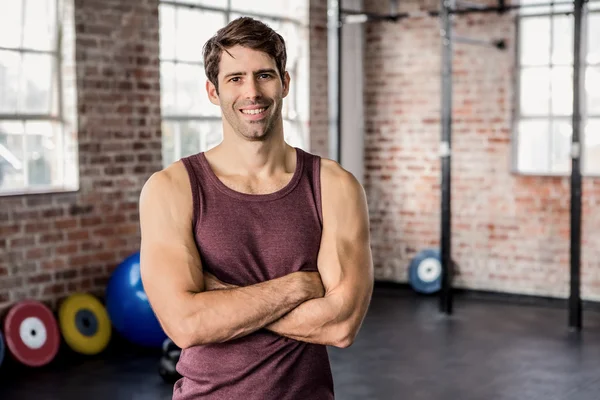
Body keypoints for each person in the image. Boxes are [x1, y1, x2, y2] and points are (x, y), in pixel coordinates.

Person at [139, 17, 374, 400]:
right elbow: (185, 324)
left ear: (285, 83)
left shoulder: (334, 186)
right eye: (235, 79)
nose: (252, 92)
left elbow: (340, 325)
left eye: (264, 75)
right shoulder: (171, 189)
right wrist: (300, 285)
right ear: (212, 91)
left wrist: (220, 298)